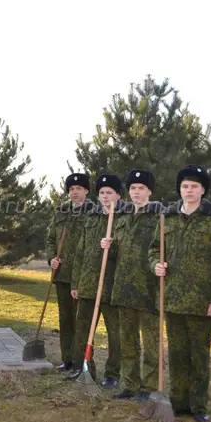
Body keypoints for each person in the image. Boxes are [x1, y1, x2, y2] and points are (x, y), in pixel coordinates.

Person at [148, 165, 211, 422]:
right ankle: (178, 401)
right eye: (184, 186)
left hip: (202, 300)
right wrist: (155, 265)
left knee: (199, 355)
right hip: (172, 297)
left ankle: (198, 404)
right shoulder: (166, 218)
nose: (189, 190)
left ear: (203, 190)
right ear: (179, 189)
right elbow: (153, 250)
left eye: (194, 186)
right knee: (177, 354)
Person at [67, 174, 128, 386]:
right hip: (88, 285)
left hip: (112, 286)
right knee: (82, 329)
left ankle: (112, 374)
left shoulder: (125, 218)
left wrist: (114, 247)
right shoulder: (91, 217)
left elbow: (130, 253)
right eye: (102, 192)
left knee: (115, 334)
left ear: (118, 195)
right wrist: (75, 283)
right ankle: (82, 367)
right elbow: (80, 253)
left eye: (109, 192)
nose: (105, 196)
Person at [109, 169, 164, 401]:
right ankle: (130, 385)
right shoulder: (121, 218)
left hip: (149, 290)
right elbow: (116, 253)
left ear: (150, 191)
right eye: (133, 188)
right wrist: (108, 245)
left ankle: (149, 387)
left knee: (152, 344)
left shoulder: (159, 217)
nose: (137, 192)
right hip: (124, 289)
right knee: (128, 342)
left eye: (141, 188)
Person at [45, 173, 93, 371]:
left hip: (82, 275)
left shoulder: (93, 213)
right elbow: (50, 240)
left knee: (80, 320)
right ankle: (67, 360)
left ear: (86, 191)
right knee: (65, 319)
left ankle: (81, 361)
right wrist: (51, 258)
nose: (75, 192)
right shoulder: (61, 213)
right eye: (72, 189)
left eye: (79, 189)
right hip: (62, 274)